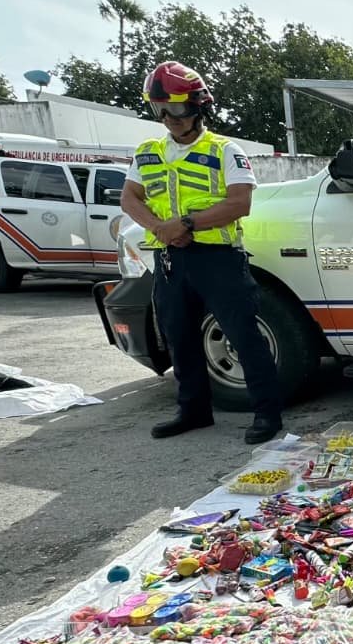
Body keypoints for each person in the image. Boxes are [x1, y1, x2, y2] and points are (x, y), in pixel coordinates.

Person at [120, 61, 282, 444]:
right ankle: (193, 411)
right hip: (169, 258)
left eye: (176, 108)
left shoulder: (225, 150)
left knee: (243, 335)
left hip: (217, 259)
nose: (169, 117)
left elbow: (240, 203)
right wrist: (161, 229)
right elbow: (130, 198)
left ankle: (267, 413)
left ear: (198, 106)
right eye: (160, 109)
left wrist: (187, 224)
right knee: (178, 336)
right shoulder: (147, 152)